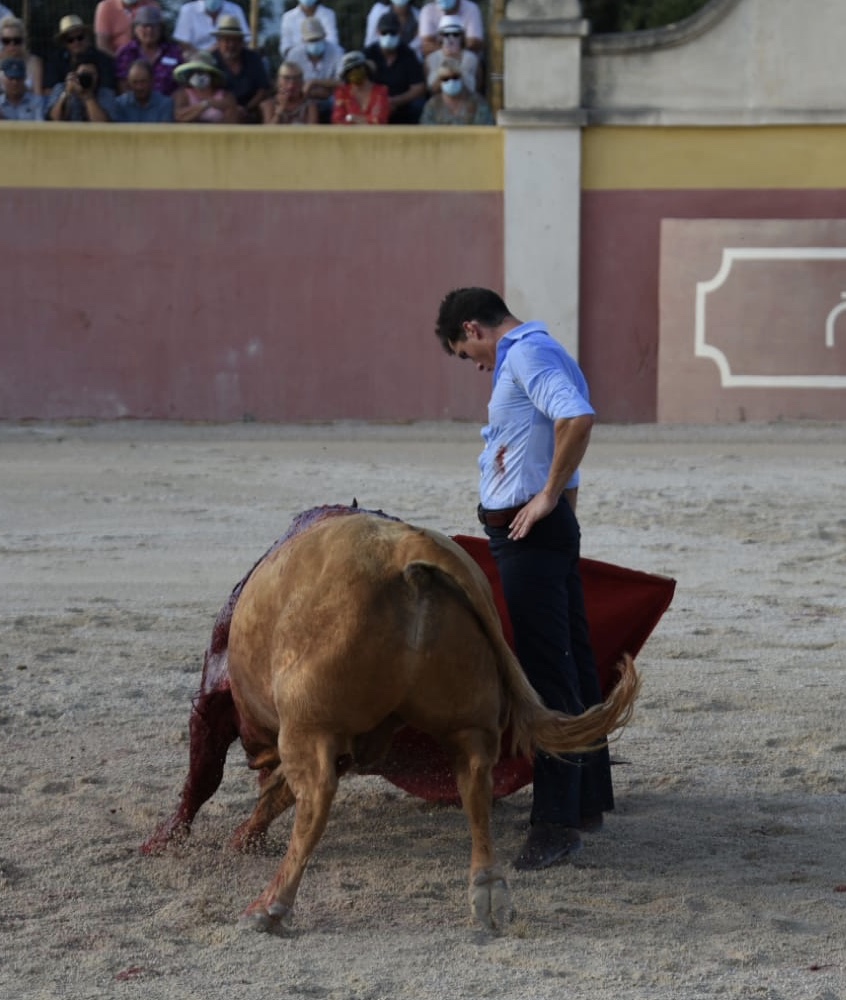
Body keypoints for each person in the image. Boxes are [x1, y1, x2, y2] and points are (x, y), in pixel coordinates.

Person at [434, 287, 614, 871]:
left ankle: (557, 823)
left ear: (473, 328)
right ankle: (587, 799)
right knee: (575, 662)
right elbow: (563, 431)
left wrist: (545, 501)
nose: (476, 366)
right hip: (541, 530)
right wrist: (562, 506)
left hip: (525, 533)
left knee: (547, 672)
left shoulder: (526, 355)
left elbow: (578, 419)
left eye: (467, 354)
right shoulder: (545, 349)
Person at [364, 9, 426, 124]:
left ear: (400, 33)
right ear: (377, 33)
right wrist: (381, 102)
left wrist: (395, 101)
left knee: (418, 105)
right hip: (374, 102)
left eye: (393, 33)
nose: (388, 36)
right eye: (384, 33)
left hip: (402, 103)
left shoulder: (408, 54)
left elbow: (419, 87)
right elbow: (360, 85)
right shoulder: (368, 54)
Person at [211, 14, 268, 123]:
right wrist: (230, 108)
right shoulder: (211, 60)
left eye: (236, 40)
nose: (231, 45)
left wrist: (246, 108)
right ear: (218, 42)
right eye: (227, 40)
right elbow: (205, 92)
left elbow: (263, 90)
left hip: (250, 109)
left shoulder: (253, 58)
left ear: (242, 41)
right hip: (219, 110)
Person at [284, 15, 343, 120]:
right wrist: (316, 92)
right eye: (311, 40)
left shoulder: (337, 51)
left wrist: (314, 82)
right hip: (303, 99)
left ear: (324, 36)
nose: (315, 43)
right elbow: (287, 81)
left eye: (317, 39)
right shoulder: (294, 54)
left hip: (331, 99)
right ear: (303, 40)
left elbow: (343, 81)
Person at [115, 6, 183, 96]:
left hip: (169, 104)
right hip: (134, 104)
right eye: (145, 26)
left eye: (154, 26)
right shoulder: (126, 52)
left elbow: (180, 84)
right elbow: (122, 84)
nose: (149, 30)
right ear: (135, 29)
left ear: (161, 29)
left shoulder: (173, 51)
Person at [44, 15, 117, 92]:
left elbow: (108, 90)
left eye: (80, 37)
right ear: (64, 43)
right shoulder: (56, 60)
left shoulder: (103, 59)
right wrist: (67, 90)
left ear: (87, 37)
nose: (76, 42)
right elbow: (48, 91)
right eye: (70, 40)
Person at [420, 56, 491, 124]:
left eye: (455, 77)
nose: (451, 81)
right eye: (446, 78)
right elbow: (426, 130)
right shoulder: (432, 105)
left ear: (462, 78)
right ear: (440, 81)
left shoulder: (478, 102)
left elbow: (485, 128)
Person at [172, 48, 238, 122]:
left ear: (211, 74)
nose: (198, 75)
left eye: (202, 72)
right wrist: (205, 105)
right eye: (194, 72)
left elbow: (231, 121)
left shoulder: (226, 96)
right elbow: (179, 117)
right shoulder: (181, 94)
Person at [46, 52, 117, 120]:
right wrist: (67, 94)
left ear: (98, 77)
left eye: (91, 74)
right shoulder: (61, 88)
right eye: (83, 74)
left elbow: (102, 125)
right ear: (75, 74)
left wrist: (88, 97)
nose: (87, 77)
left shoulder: (106, 93)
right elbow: (54, 119)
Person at [173, 0, 251, 58]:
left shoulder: (236, 10)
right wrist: (205, 54)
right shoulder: (188, 10)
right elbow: (183, 42)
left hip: (228, 59)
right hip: (196, 59)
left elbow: (245, 40)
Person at [330, 49, 389, 125]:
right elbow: (337, 119)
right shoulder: (342, 92)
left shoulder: (381, 91)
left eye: (357, 67)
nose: (354, 72)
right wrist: (364, 120)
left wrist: (351, 118)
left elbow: (379, 120)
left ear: (365, 68)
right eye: (350, 70)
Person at [424, 14, 478, 94]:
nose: (450, 38)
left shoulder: (472, 58)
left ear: (462, 36)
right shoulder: (431, 59)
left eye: (455, 34)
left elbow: (475, 89)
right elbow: (431, 90)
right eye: (446, 34)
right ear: (440, 37)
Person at [94, 0, 160, 57]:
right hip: (115, 61)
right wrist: (122, 61)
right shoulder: (106, 7)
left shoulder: (151, 5)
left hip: (148, 62)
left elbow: (159, 38)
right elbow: (102, 46)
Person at [417, 0, 483, 56]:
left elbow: (474, 44)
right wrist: (451, 51)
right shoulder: (427, 10)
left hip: (465, 60)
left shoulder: (471, 8)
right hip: (438, 63)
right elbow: (426, 47)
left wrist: (451, 51)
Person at [0, 15, 44, 95]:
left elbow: (38, 95)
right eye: (6, 41)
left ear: (23, 40)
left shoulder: (34, 62)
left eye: (17, 41)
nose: (11, 45)